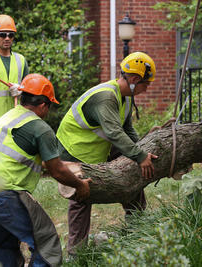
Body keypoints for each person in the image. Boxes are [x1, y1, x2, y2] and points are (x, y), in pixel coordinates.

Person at [0, 74, 91, 267]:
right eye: (49, 106)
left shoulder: (8, 117)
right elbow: (57, 171)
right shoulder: (40, 128)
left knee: (5, 245)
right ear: (44, 105)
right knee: (46, 245)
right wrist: (80, 185)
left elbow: (18, 157)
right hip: (0, 193)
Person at [56, 51, 158, 255]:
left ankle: (137, 231)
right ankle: (76, 254)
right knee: (82, 196)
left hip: (97, 147)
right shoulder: (105, 97)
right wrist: (139, 156)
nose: (146, 89)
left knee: (131, 174)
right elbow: (114, 132)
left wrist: (141, 153)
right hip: (74, 150)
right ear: (135, 79)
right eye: (146, 84)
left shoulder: (125, 97)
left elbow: (126, 129)